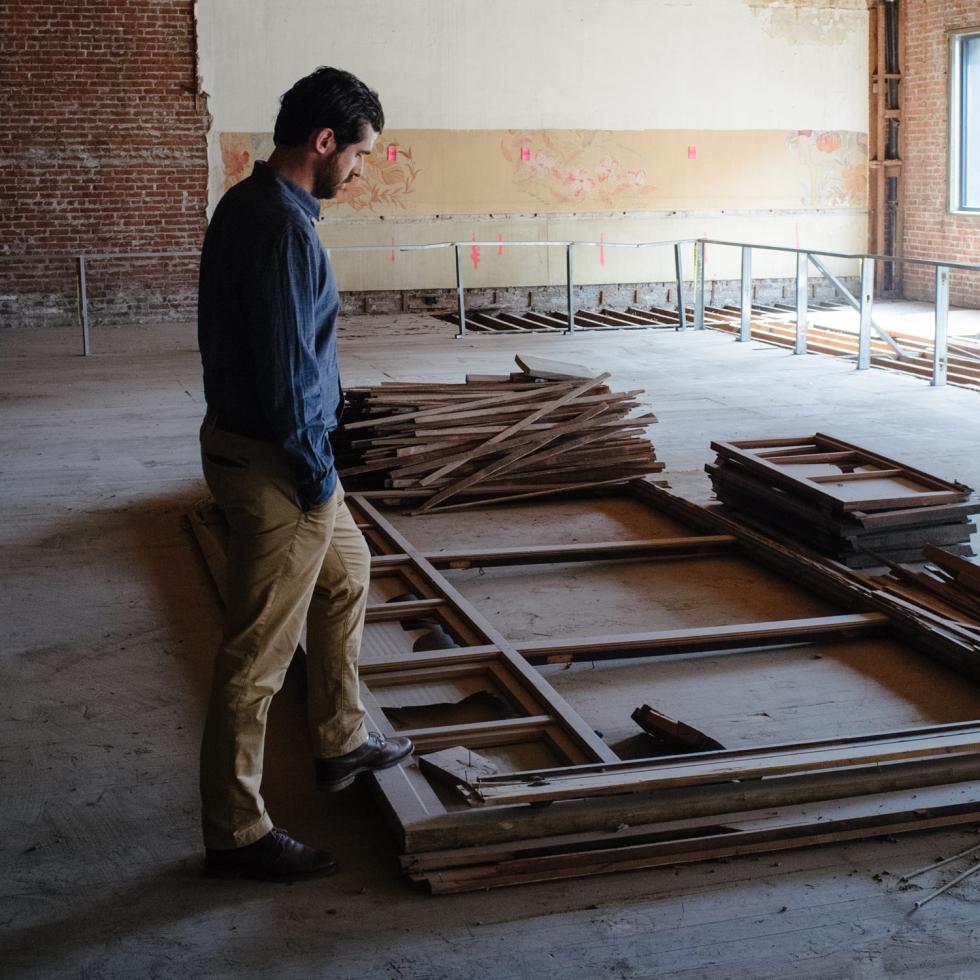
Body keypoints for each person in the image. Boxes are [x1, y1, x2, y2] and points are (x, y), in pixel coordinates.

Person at [196, 66, 413, 882]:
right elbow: (289, 379)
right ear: (323, 143)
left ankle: (341, 742)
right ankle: (236, 832)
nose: (360, 171)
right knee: (255, 659)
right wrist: (319, 481)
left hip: (263, 447)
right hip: (280, 464)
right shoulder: (285, 228)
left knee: (348, 574)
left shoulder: (250, 202)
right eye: (357, 155)